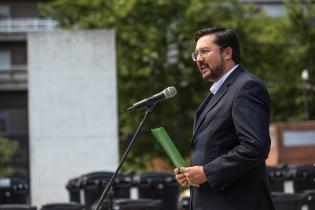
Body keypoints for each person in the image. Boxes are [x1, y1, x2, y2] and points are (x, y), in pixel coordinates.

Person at [174, 27, 275, 210]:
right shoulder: (218, 92)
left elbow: (254, 146)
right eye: (195, 53)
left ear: (227, 52)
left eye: (204, 52)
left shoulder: (246, 87)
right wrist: (191, 174)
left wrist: (206, 172)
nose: (198, 59)